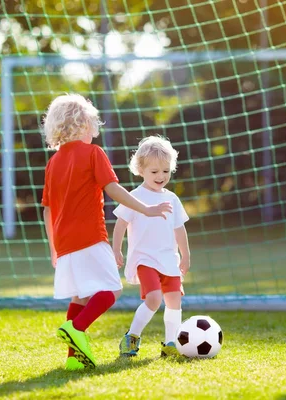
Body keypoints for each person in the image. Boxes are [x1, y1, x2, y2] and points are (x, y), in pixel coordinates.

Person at [41, 94, 172, 370]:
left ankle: (74, 359)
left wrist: (54, 247)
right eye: (91, 125)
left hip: (64, 242)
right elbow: (112, 188)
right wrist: (145, 209)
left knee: (82, 295)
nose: (94, 131)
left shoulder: (53, 162)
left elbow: (48, 209)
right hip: (90, 236)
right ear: (83, 125)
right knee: (111, 290)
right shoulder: (93, 153)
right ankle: (75, 327)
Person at [112, 135, 190, 358]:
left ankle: (170, 343)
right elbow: (120, 224)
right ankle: (132, 336)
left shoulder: (173, 199)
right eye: (154, 172)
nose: (160, 176)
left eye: (165, 171)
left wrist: (185, 255)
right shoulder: (134, 197)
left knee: (174, 299)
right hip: (144, 258)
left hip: (168, 259)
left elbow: (179, 228)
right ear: (141, 169)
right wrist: (116, 249)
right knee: (154, 299)